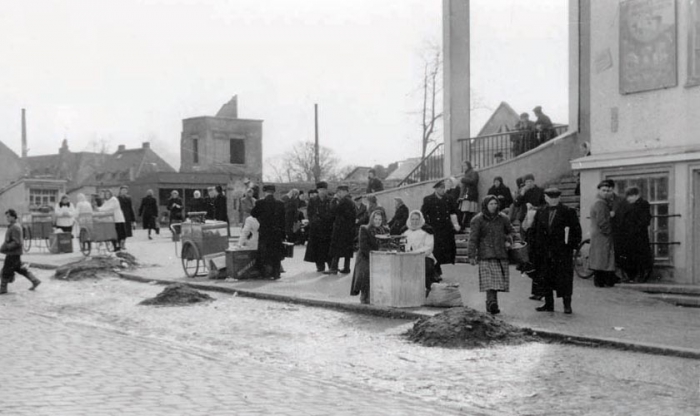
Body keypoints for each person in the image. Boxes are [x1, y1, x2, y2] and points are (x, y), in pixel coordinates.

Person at [529, 187, 582, 314]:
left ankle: (567, 305)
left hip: (562, 252)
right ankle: (548, 303)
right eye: (550, 197)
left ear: (559, 198)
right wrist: (534, 247)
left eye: (556, 198)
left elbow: (576, 231)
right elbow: (534, 231)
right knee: (545, 277)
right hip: (544, 252)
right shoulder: (540, 212)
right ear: (546, 198)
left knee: (564, 279)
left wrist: (571, 246)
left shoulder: (568, 212)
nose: (553, 200)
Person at [467, 195, 515, 315]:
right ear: (485, 205)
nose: (494, 206)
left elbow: (512, 231)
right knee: (490, 281)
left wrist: (508, 239)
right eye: (491, 204)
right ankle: (492, 302)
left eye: (495, 204)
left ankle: (491, 303)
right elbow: (473, 239)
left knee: (497, 281)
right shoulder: (477, 220)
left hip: (500, 253)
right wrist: (471, 255)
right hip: (485, 254)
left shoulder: (503, 218)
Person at [421, 180, 461, 278]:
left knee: (447, 251)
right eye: (440, 188)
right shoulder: (428, 199)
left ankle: (439, 270)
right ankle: (436, 271)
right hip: (435, 229)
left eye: (443, 188)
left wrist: (456, 224)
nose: (442, 190)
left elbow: (454, 212)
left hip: (447, 229)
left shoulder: (449, 198)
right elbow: (423, 214)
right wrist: (427, 225)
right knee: (435, 251)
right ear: (435, 189)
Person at [350, 210, 389, 304]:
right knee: (366, 273)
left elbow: (387, 244)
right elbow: (363, 246)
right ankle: (365, 296)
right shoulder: (364, 229)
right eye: (375, 219)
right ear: (372, 219)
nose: (377, 221)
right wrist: (373, 255)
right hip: (365, 256)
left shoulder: (386, 230)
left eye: (380, 219)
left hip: (380, 256)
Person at [0, 209, 41, 294]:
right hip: (14, 253)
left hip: (13, 253)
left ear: (13, 217)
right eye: (6, 217)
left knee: (6, 270)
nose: (7, 218)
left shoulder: (15, 227)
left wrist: (6, 247)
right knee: (19, 269)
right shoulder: (13, 226)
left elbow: (17, 242)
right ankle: (35, 280)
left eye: (8, 217)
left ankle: (3, 289)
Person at [250, 184, 286, 279]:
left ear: (264, 192)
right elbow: (283, 220)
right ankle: (276, 273)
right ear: (273, 192)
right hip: (276, 232)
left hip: (265, 232)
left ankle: (265, 273)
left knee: (264, 253)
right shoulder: (280, 203)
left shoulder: (260, 203)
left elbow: (253, 214)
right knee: (276, 253)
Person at [618, 186, 653, 282]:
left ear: (636, 195)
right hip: (631, 235)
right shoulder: (631, 205)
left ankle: (640, 276)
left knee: (640, 256)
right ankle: (633, 276)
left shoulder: (643, 204)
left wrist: (634, 228)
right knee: (632, 256)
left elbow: (645, 220)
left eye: (630, 196)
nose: (628, 199)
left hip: (638, 236)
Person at [402, 210, 440, 295]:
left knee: (425, 267)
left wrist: (416, 253)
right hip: (408, 256)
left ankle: (427, 288)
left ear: (420, 220)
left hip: (424, 256)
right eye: (413, 219)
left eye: (417, 219)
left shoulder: (427, 231)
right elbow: (404, 245)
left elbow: (429, 247)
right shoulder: (406, 232)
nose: (414, 222)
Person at [589, 180, 617, 288]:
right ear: (599, 190)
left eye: (608, 190)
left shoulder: (599, 202)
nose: (606, 192)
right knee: (603, 257)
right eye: (603, 190)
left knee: (600, 257)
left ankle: (600, 281)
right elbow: (602, 220)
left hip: (598, 233)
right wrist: (608, 231)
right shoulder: (600, 203)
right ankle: (602, 281)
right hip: (602, 234)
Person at [304, 181, 334, 272]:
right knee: (317, 248)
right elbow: (310, 214)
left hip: (328, 228)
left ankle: (331, 265)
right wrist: (315, 222)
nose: (322, 192)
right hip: (316, 229)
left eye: (324, 189)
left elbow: (333, 213)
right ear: (317, 190)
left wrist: (327, 220)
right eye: (320, 190)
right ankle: (320, 265)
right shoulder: (313, 201)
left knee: (328, 248)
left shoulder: (330, 200)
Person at [326, 185, 357, 275]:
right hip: (348, 230)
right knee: (346, 250)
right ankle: (346, 268)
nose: (338, 194)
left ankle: (333, 268)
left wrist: (334, 200)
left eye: (340, 192)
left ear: (345, 192)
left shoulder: (344, 201)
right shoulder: (350, 201)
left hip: (341, 229)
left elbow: (334, 210)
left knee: (336, 249)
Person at [458, 161, 479, 231]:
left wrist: (463, 179)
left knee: (468, 211)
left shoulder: (473, 172)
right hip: (466, 195)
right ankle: (464, 227)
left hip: (470, 195)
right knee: (466, 211)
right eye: (463, 166)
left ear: (468, 165)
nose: (464, 167)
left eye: (465, 166)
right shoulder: (467, 173)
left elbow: (474, 181)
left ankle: (465, 227)